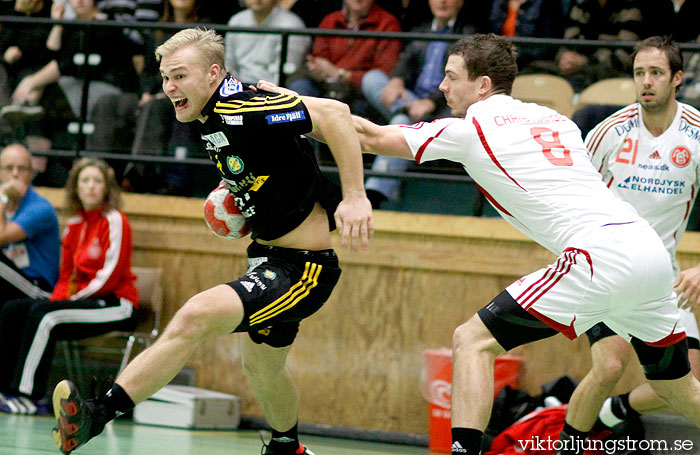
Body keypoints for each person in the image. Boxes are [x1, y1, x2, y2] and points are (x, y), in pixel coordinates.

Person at [313, 33, 700, 455]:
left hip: (601, 254)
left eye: (451, 76)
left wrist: (282, 105)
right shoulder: (556, 120)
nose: (442, 87)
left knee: (472, 340)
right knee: (681, 391)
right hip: (653, 255)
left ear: (482, 86)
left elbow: (366, 136)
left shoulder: (472, 128)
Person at [51, 27, 372, 455]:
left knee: (194, 316)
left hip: (303, 267)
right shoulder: (208, 116)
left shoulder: (242, 105)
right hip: (267, 257)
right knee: (262, 367)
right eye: (165, 78)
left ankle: (95, 414)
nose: (169, 88)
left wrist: (354, 197)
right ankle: (286, 447)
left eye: (180, 76)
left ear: (214, 73)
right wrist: (237, 197)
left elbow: (335, 115)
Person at [560, 36, 700, 443]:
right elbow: (570, 193)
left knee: (688, 380)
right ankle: (566, 449)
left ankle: (617, 410)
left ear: (676, 78)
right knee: (607, 368)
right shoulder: (610, 132)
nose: (646, 82)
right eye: (639, 73)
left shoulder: (695, 136)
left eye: (656, 73)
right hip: (609, 272)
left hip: (663, 279)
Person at [0, 157, 138, 415]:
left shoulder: (115, 220)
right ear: (76, 188)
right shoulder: (74, 225)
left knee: (47, 316)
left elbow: (109, 275)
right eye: (85, 181)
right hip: (83, 302)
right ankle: (5, 389)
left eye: (97, 181)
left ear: (107, 188)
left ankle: (29, 396)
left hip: (115, 303)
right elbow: (66, 276)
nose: (91, 187)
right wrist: (59, 299)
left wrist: (69, 302)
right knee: (15, 309)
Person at [360, 0, 481, 207]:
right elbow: (406, 61)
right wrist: (397, 80)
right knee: (372, 78)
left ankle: (376, 194)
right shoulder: (422, 29)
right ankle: (407, 111)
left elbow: (462, 82)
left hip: (444, 105)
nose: (442, 2)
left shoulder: (468, 37)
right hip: (411, 100)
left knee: (400, 120)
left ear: (460, 2)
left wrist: (430, 103)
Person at [4, 0, 143, 152]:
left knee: (41, 89)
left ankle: (34, 145)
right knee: (38, 88)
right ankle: (30, 144)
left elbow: (66, 63)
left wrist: (30, 83)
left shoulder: (107, 23)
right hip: (77, 87)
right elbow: (51, 54)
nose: (80, 1)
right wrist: (57, 24)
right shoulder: (72, 24)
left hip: (107, 89)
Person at [287, 0, 402, 116]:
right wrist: (326, 72)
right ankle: (295, 131)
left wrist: (342, 74)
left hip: (359, 92)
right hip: (326, 84)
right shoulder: (330, 20)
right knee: (300, 86)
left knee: (360, 105)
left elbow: (383, 74)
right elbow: (319, 61)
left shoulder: (388, 24)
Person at [0, 143, 60, 303]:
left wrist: (2, 196)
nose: (14, 174)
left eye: (21, 169)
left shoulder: (40, 208)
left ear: (31, 174)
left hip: (37, 288)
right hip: (9, 281)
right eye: (8, 168)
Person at [225, 0, 310, 86]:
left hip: (276, 89)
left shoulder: (292, 25)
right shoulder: (236, 21)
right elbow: (229, 63)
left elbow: (289, 69)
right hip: (239, 87)